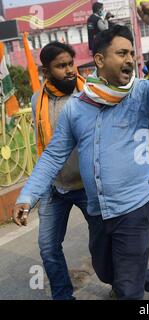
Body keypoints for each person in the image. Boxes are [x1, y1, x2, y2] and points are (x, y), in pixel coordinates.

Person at [13, 2, 149, 300]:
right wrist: (27, 195)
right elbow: (53, 155)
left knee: (126, 288)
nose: (130, 60)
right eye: (121, 53)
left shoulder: (141, 94)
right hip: (98, 209)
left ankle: (137, 285)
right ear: (99, 59)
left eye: (131, 54)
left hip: (135, 206)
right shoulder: (77, 108)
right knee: (107, 272)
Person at [28, 42, 87, 300]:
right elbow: (41, 143)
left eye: (70, 64)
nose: (69, 70)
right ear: (46, 71)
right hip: (55, 187)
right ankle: (63, 296)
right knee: (48, 247)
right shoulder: (35, 100)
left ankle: (121, 283)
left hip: (88, 186)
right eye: (60, 66)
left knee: (105, 242)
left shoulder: (90, 94)